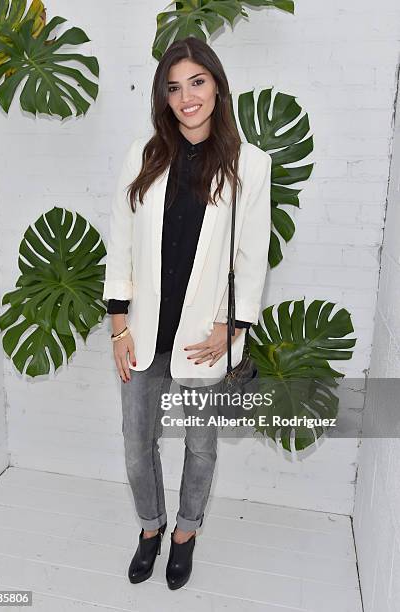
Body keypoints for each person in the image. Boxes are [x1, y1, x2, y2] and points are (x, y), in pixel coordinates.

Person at [103, 36, 271, 590]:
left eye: (196, 82)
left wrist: (235, 325)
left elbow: (250, 253)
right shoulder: (144, 154)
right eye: (174, 88)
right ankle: (150, 529)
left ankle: (185, 533)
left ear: (217, 86)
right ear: (164, 97)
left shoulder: (250, 164)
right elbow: (122, 241)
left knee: (200, 445)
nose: (186, 97)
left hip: (203, 335)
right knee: (135, 447)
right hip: (144, 331)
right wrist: (119, 323)